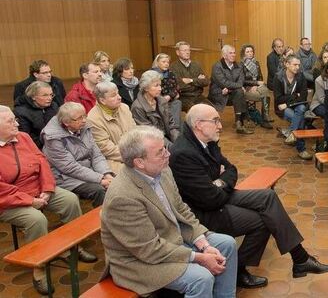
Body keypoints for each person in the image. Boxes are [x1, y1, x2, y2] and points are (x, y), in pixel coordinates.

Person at [170, 104, 328, 289]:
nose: (220, 125)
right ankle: (238, 271)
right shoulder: (183, 153)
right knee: (263, 220)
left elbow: (231, 169)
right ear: (199, 124)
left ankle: (300, 258)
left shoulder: (206, 140)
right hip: (204, 213)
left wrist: (219, 181)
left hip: (219, 196)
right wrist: (220, 180)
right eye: (215, 121)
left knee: (267, 196)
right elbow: (211, 199)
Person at [100, 126, 237, 298]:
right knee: (201, 278)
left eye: (165, 148)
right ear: (139, 162)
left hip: (171, 239)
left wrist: (205, 245)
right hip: (138, 262)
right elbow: (149, 249)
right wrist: (200, 257)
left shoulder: (162, 169)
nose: (168, 155)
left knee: (227, 244)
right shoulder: (123, 197)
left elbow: (181, 209)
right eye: (160, 152)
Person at [0, 105, 96, 295]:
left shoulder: (24, 137)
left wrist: (47, 188)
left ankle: (73, 246)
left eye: (15, 119)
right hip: (9, 199)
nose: (16, 123)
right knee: (36, 219)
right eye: (10, 121)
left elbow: (42, 162)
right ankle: (39, 268)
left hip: (39, 189)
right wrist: (29, 200)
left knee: (69, 200)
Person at [41, 102, 113, 207]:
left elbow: (96, 155)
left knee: (116, 181)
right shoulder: (53, 138)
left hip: (88, 172)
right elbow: (70, 168)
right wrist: (100, 179)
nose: (84, 120)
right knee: (100, 190)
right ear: (66, 122)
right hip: (65, 177)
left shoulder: (84, 126)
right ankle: (99, 220)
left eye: (84, 115)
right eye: (79, 118)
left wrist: (106, 174)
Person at [87, 81, 137, 172]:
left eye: (118, 93)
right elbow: (107, 149)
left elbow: (135, 133)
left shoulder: (124, 108)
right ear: (102, 100)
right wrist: (133, 156)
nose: (119, 97)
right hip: (112, 160)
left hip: (134, 153)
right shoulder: (93, 119)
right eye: (113, 95)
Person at [273, 54, 313, 160]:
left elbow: (304, 96)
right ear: (287, 64)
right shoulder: (278, 77)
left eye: (298, 65)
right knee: (300, 118)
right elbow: (278, 98)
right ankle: (301, 149)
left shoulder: (300, 76)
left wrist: (287, 102)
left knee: (300, 109)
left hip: (295, 106)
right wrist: (295, 95)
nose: (297, 67)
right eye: (295, 65)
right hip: (282, 108)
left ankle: (292, 133)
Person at [209, 44, 254, 134]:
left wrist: (231, 89)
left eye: (234, 53)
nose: (233, 55)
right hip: (219, 94)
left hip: (232, 93)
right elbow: (223, 82)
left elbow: (241, 81)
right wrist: (236, 87)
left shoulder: (238, 65)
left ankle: (238, 122)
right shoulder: (217, 66)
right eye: (230, 53)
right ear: (224, 55)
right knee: (239, 91)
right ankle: (242, 120)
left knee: (239, 92)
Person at [131, 70, 180, 149]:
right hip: (152, 144)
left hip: (167, 139)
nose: (160, 89)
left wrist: (178, 142)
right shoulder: (137, 107)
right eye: (156, 86)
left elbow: (171, 125)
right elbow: (151, 134)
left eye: (160, 85)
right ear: (146, 88)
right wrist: (172, 147)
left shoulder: (162, 101)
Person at [15, 81, 59, 149]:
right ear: (33, 97)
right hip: (37, 147)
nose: (50, 98)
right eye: (45, 95)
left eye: (51, 95)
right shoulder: (21, 112)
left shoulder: (54, 106)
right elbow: (26, 138)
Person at [170, 41, 211, 112]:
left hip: (198, 96)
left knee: (211, 110)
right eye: (184, 50)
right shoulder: (173, 67)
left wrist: (191, 80)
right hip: (183, 97)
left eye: (189, 50)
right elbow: (180, 86)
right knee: (195, 112)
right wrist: (198, 82)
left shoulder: (196, 64)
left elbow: (206, 81)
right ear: (177, 52)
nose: (187, 52)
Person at [241, 44, 273, 129]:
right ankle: (265, 118)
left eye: (251, 51)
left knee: (265, 92)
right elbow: (242, 80)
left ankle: (265, 117)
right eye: (247, 51)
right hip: (246, 88)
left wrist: (257, 84)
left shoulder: (256, 63)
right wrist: (255, 83)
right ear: (244, 54)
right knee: (265, 93)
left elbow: (260, 77)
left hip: (257, 86)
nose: (250, 53)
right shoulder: (241, 64)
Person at [151, 53, 182, 127]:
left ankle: (174, 127)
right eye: (163, 62)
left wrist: (169, 96)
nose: (166, 64)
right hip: (156, 100)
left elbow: (177, 88)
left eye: (168, 62)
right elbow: (151, 90)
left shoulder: (171, 73)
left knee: (177, 102)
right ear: (157, 62)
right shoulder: (151, 74)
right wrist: (163, 98)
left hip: (170, 99)